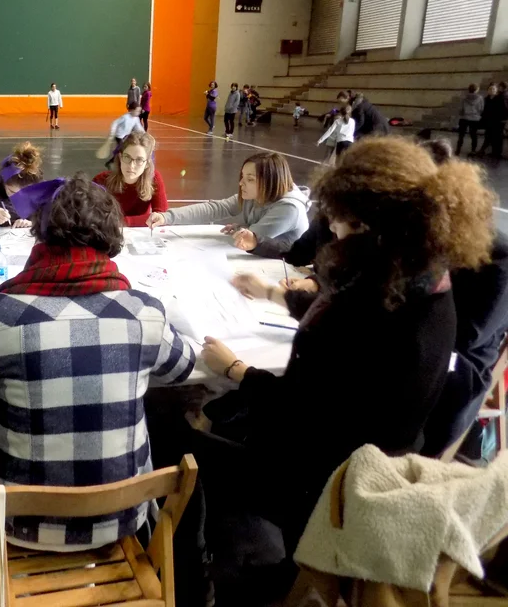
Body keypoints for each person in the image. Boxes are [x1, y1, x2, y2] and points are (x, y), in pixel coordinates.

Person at [150, 137, 495, 600]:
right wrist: (274, 294)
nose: (330, 226)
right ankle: (280, 564)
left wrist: (235, 369)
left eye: (340, 218)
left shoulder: (361, 312)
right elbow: (352, 323)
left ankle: (197, 581)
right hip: (379, 454)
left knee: (169, 431)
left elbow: (293, 405)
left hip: (320, 480)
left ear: (369, 226)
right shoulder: (424, 282)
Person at [0, 176, 196, 548]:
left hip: (15, 524)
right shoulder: (144, 314)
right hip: (120, 521)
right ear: (111, 236)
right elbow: (183, 368)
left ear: (41, 233)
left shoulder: (0, 313)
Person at [147, 152, 309, 244]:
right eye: (243, 176)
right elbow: (216, 208)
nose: (241, 183)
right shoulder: (254, 195)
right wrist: (166, 217)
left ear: (270, 181)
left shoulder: (289, 209)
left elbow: (249, 240)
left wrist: (242, 230)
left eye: (250, 179)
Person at [93, 132, 168, 227]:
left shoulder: (153, 178)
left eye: (139, 160)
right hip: (108, 232)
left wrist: (122, 222)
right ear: (120, 157)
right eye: (127, 157)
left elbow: (160, 217)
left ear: (147, 163)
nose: (131, 166)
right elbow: (91, 216)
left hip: (138, 234)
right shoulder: (100, 180)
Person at [479, 82, 508, 159]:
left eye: (493, 89)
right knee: (488, 136)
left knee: (497, 137)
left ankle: (496, 153)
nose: (492, 90)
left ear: (496, 90)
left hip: (497, 121)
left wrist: (504, 119)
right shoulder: (486, 99)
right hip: (488, 121)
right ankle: (491, 152)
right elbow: (483, 110)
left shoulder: (499, 99)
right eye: (490, 89)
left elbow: (504, 110)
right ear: (488, 90)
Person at [456, 84, 484, 157]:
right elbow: (481, 109)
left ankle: (458, 150)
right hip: (475, 119)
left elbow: (461, 109)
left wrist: (463, 113)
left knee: (461, 135)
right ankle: (473, 151)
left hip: (464, 118)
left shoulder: (464, 98)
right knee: (473, 135)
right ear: (476, 90)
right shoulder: (480, 98)